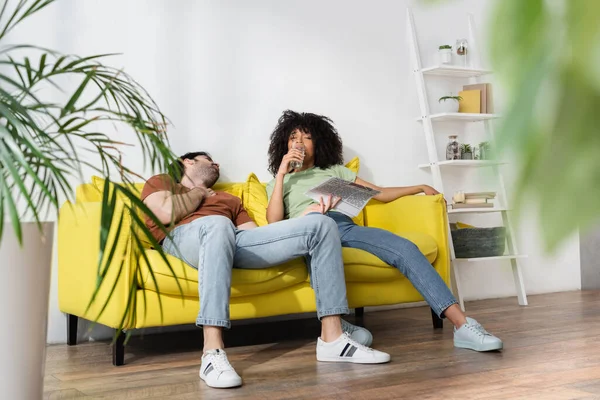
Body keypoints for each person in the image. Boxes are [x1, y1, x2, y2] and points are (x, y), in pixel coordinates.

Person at [141, 151, 390, 389]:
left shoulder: (229, 199)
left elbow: (256, 236)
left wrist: (303, 219)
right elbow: (163, 213)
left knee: (320, 225)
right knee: (217, 224)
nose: (216, 164)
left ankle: (333, 339)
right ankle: (211, 353)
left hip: (233, 239)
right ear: (187, 162)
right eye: (209, 159)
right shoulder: (162, 181)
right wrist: (198, 193)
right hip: (185, 237)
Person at [265, 110, 504, 353]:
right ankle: (338, 326)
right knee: (318, 257)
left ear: (319, 143)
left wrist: (418, 187)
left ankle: (463, 326)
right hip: (308, 232)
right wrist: (283, 173)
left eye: (306, 137)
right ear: (284, 143)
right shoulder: (278, 182)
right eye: (293, 137)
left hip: (342, 225)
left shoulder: (334, 172)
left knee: (405, 248)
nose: (298, 142)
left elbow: (378, 193)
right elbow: (273, 223)